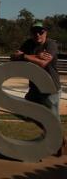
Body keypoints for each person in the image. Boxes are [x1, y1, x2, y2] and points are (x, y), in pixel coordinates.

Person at [11, 21, 65, 156]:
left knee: (52, 119)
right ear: (31, 33)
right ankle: (57, 138)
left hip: (50, 88)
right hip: (34, 88)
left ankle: (58, 145)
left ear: (46, 33)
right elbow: (14, 57)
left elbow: (43, 63)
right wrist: (34, 56)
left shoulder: (51, 44)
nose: (37, 34)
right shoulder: (28, 44)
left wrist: (24, 56)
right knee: (25, 112)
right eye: (34, 32)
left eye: (41, 32)